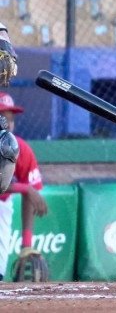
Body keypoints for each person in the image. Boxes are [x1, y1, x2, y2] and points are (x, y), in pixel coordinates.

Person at [0, 93, 47, 281]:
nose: (9, 123)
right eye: (3, 118)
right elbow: (27, 189)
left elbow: (30, 189)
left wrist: (26, 243)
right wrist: (25, 189)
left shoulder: (21, 149)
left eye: (11, 118)